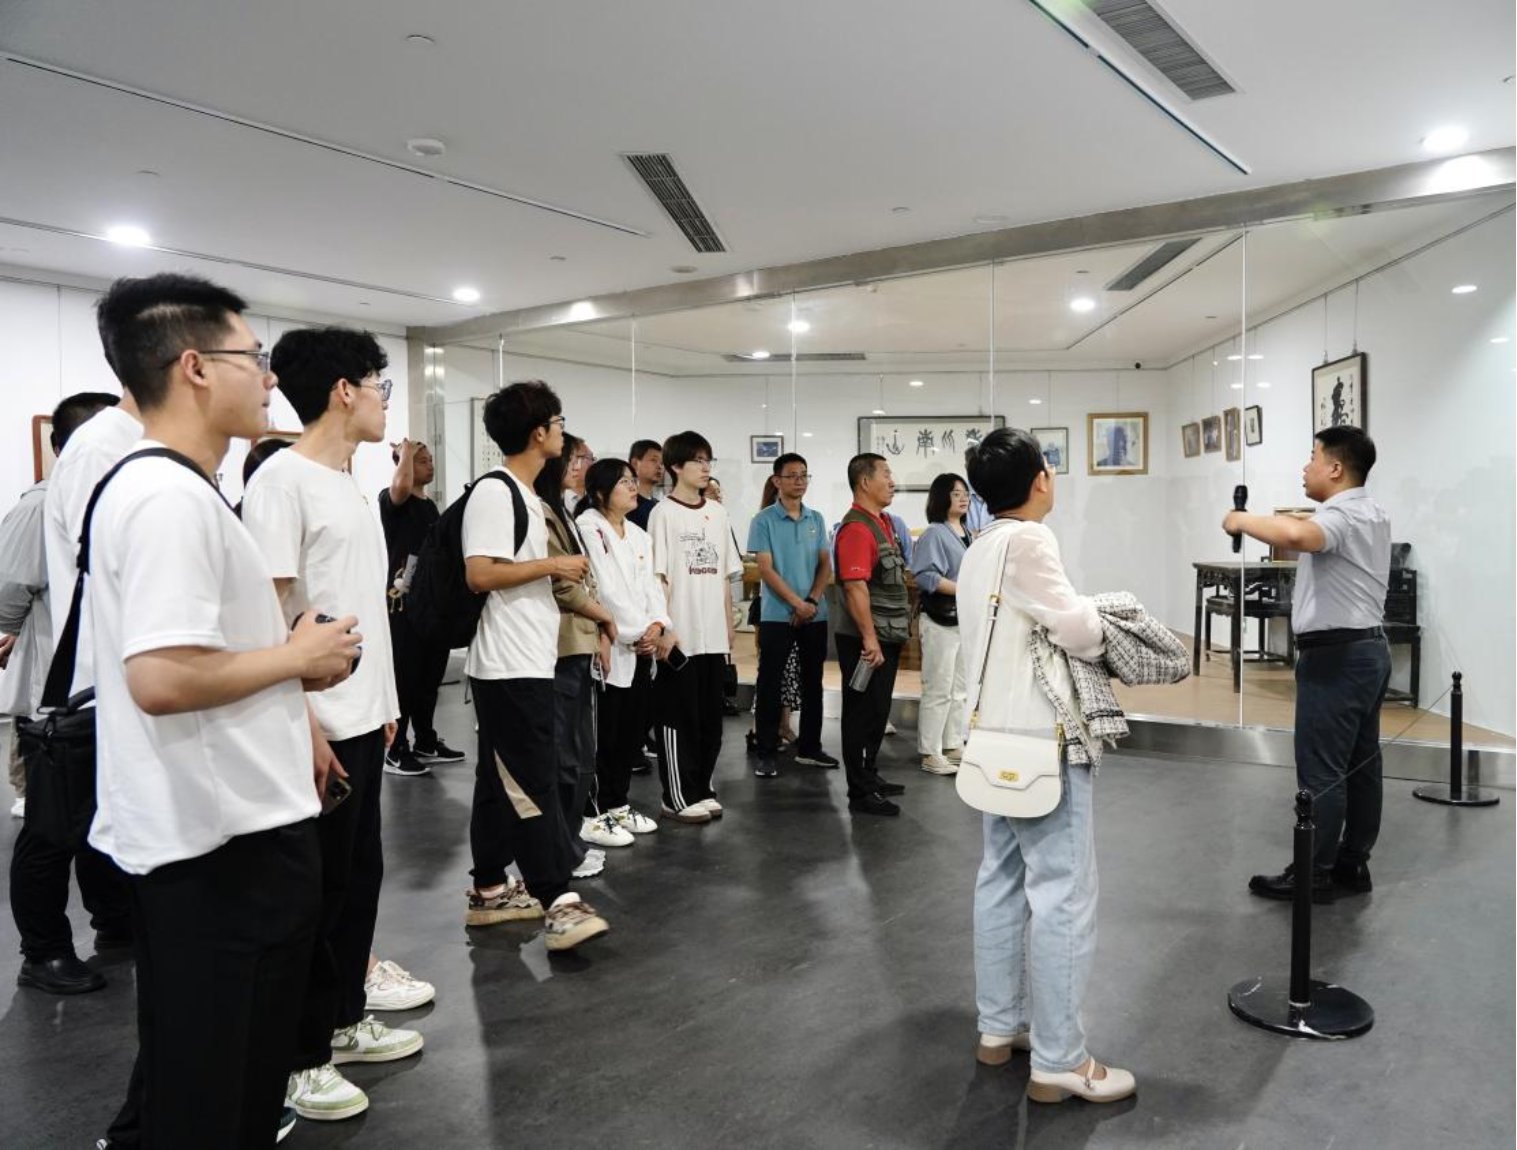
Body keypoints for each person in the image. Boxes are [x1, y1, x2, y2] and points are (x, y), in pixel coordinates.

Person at [87, 272, 363, 1147]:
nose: (270, 377)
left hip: (224, 834)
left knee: (214, 1077)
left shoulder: (180, 488)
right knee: (217, 1091)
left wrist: (293, 688)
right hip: (220, 850)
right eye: (255, 357)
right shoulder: (165, 498)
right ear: (196, 367)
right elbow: (162, 677)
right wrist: (298, 658)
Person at [242, 326, 424, 1124]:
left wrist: (382, 705)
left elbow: (356, 609)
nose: (385, 402)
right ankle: (299, 1058)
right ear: (344, 391)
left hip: (360, 716)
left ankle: (343, 1020)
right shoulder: (282, 482)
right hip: (313, 724)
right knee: (310, 898)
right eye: (380, 386)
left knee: (355, 882)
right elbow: (268, 617)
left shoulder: (345, 481)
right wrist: (307, 723)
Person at [959, 427, 1134, 1104]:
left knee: (1000, 881)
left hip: (993, 742)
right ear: (1039, 480)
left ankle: (998, 1027)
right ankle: (1061, 1059)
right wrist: (1099, 610)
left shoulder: (980, 545)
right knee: (1064, 893)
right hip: (1044, 743)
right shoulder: (1031, 540)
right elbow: (1079, 631)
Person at [462, 380, 610, 950]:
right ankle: (558, 900)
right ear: (538, 432)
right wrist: (555, 565)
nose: (563, 432)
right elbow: (480, 573)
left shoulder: (525, 494)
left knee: (497, 780)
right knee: (533, 780)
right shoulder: (495, 492)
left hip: (526, 658)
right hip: (507, 664)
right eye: (558, 421)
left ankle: (489, 889)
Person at [1225, 426, 1391, 903]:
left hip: (1336, 659)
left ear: (1335, 468)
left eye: (1312, 457)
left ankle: (1314, 871)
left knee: (1323, 770)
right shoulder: (1371, 511)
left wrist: (1239, 519)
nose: (1305, 466)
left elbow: (1299, 535)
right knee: (1361, 765)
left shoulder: (1341, 517)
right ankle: (1352, 862)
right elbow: (1306, 525)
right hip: (1367, 651)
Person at [5, 394, 124, 989]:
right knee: (51, 831)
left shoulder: (109, 496)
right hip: (55, 700)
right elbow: (7, 591)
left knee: (98, 820)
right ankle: (44, 952)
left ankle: (114, 920)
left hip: (102, 696)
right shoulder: (42, 503)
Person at [2, 393, 118, 823]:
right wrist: (18, 630)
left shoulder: (125, 492)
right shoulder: (40, 502)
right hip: (57, 667)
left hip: (104, 674)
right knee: (49, 809)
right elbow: (10, 585)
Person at [534, 433, 622, 866]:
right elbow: (563, 585)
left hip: (580, 641)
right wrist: (605, 617)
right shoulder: (544, 512)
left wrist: (600, 625)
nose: (582, 465)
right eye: (575, 457)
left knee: (580, 752)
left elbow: (585, 580)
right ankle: (559, 849)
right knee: (564, 753)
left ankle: (569, 842)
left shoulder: (565, 511)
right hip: (561, 645)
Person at [645, 430, 742, 824]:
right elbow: (658, 578)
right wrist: (664, 628)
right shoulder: (662, 514)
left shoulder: (717, 513)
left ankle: (701, 787)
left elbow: (725, 576)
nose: (705, 468)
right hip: (679, 637)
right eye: (697, 461)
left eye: (708, 460)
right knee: (677, 718)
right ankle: (676, 796)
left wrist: (729, 626)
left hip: (713, 636)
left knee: (709, 721)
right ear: (675, 467)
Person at [574, 459, 667, 838]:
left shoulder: (639, 535)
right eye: (623, 482)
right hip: (610, 643)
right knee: (604, 734)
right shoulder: (588, 528)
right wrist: (635, 631)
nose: (632, 487)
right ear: (600, 492)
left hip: (640, 646)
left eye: (632, 481)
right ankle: (594, 811)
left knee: (630, 733)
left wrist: (657, 625)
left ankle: (618, 803)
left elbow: (652, 587)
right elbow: (605, 588)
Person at [747, 453, 838, 779]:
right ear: (777, 481)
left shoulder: (816, 518)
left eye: (804, 475)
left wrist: (811, 600)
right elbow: (766, 569)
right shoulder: (763, 520)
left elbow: (825, 563)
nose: (799, 481)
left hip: (815, 612)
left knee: (813, 681)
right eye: (792, 475)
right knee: (770, 683)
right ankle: (766, 751)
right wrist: (796, 604)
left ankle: (810, 748)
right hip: (777, 614)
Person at [379, 438, 465, 773]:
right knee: (406, 677)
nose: (430, 465)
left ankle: (425, 740)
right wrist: (405, 453)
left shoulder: (430, 507)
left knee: (430, 676)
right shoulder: (392, 500)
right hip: (402, 604)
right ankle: (395, 748)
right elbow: (400, 488)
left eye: (430, 459)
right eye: (422, 460)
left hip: (430, 603)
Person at [833, 453, 910, 817]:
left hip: (883, 636)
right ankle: (860, 791)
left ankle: (870, 774)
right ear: (865, 482)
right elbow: (855, 588)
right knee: (862, 712)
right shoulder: (857, 528)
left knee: (878, 711)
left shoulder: (883, 523)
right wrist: (869, 639)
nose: (892, 481)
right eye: (886, 474)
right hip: (865, 641)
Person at [910, 472, 972, 776]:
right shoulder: (934, 533)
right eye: (956, 493)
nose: (963, 498)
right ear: (941, 498)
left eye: (965, 493)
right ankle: (930, 751)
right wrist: (965, 589)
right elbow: (925, 576)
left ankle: (952, 744)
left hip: (962, 620)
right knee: (938, 687)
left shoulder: (968, 532)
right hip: (939, 620)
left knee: (959, 688)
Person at [626, 438, 663, 530]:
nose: (659, 466)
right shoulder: (627, 504)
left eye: (662, 463)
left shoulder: (659, 505)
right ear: (635, 463)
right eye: (653, 460)